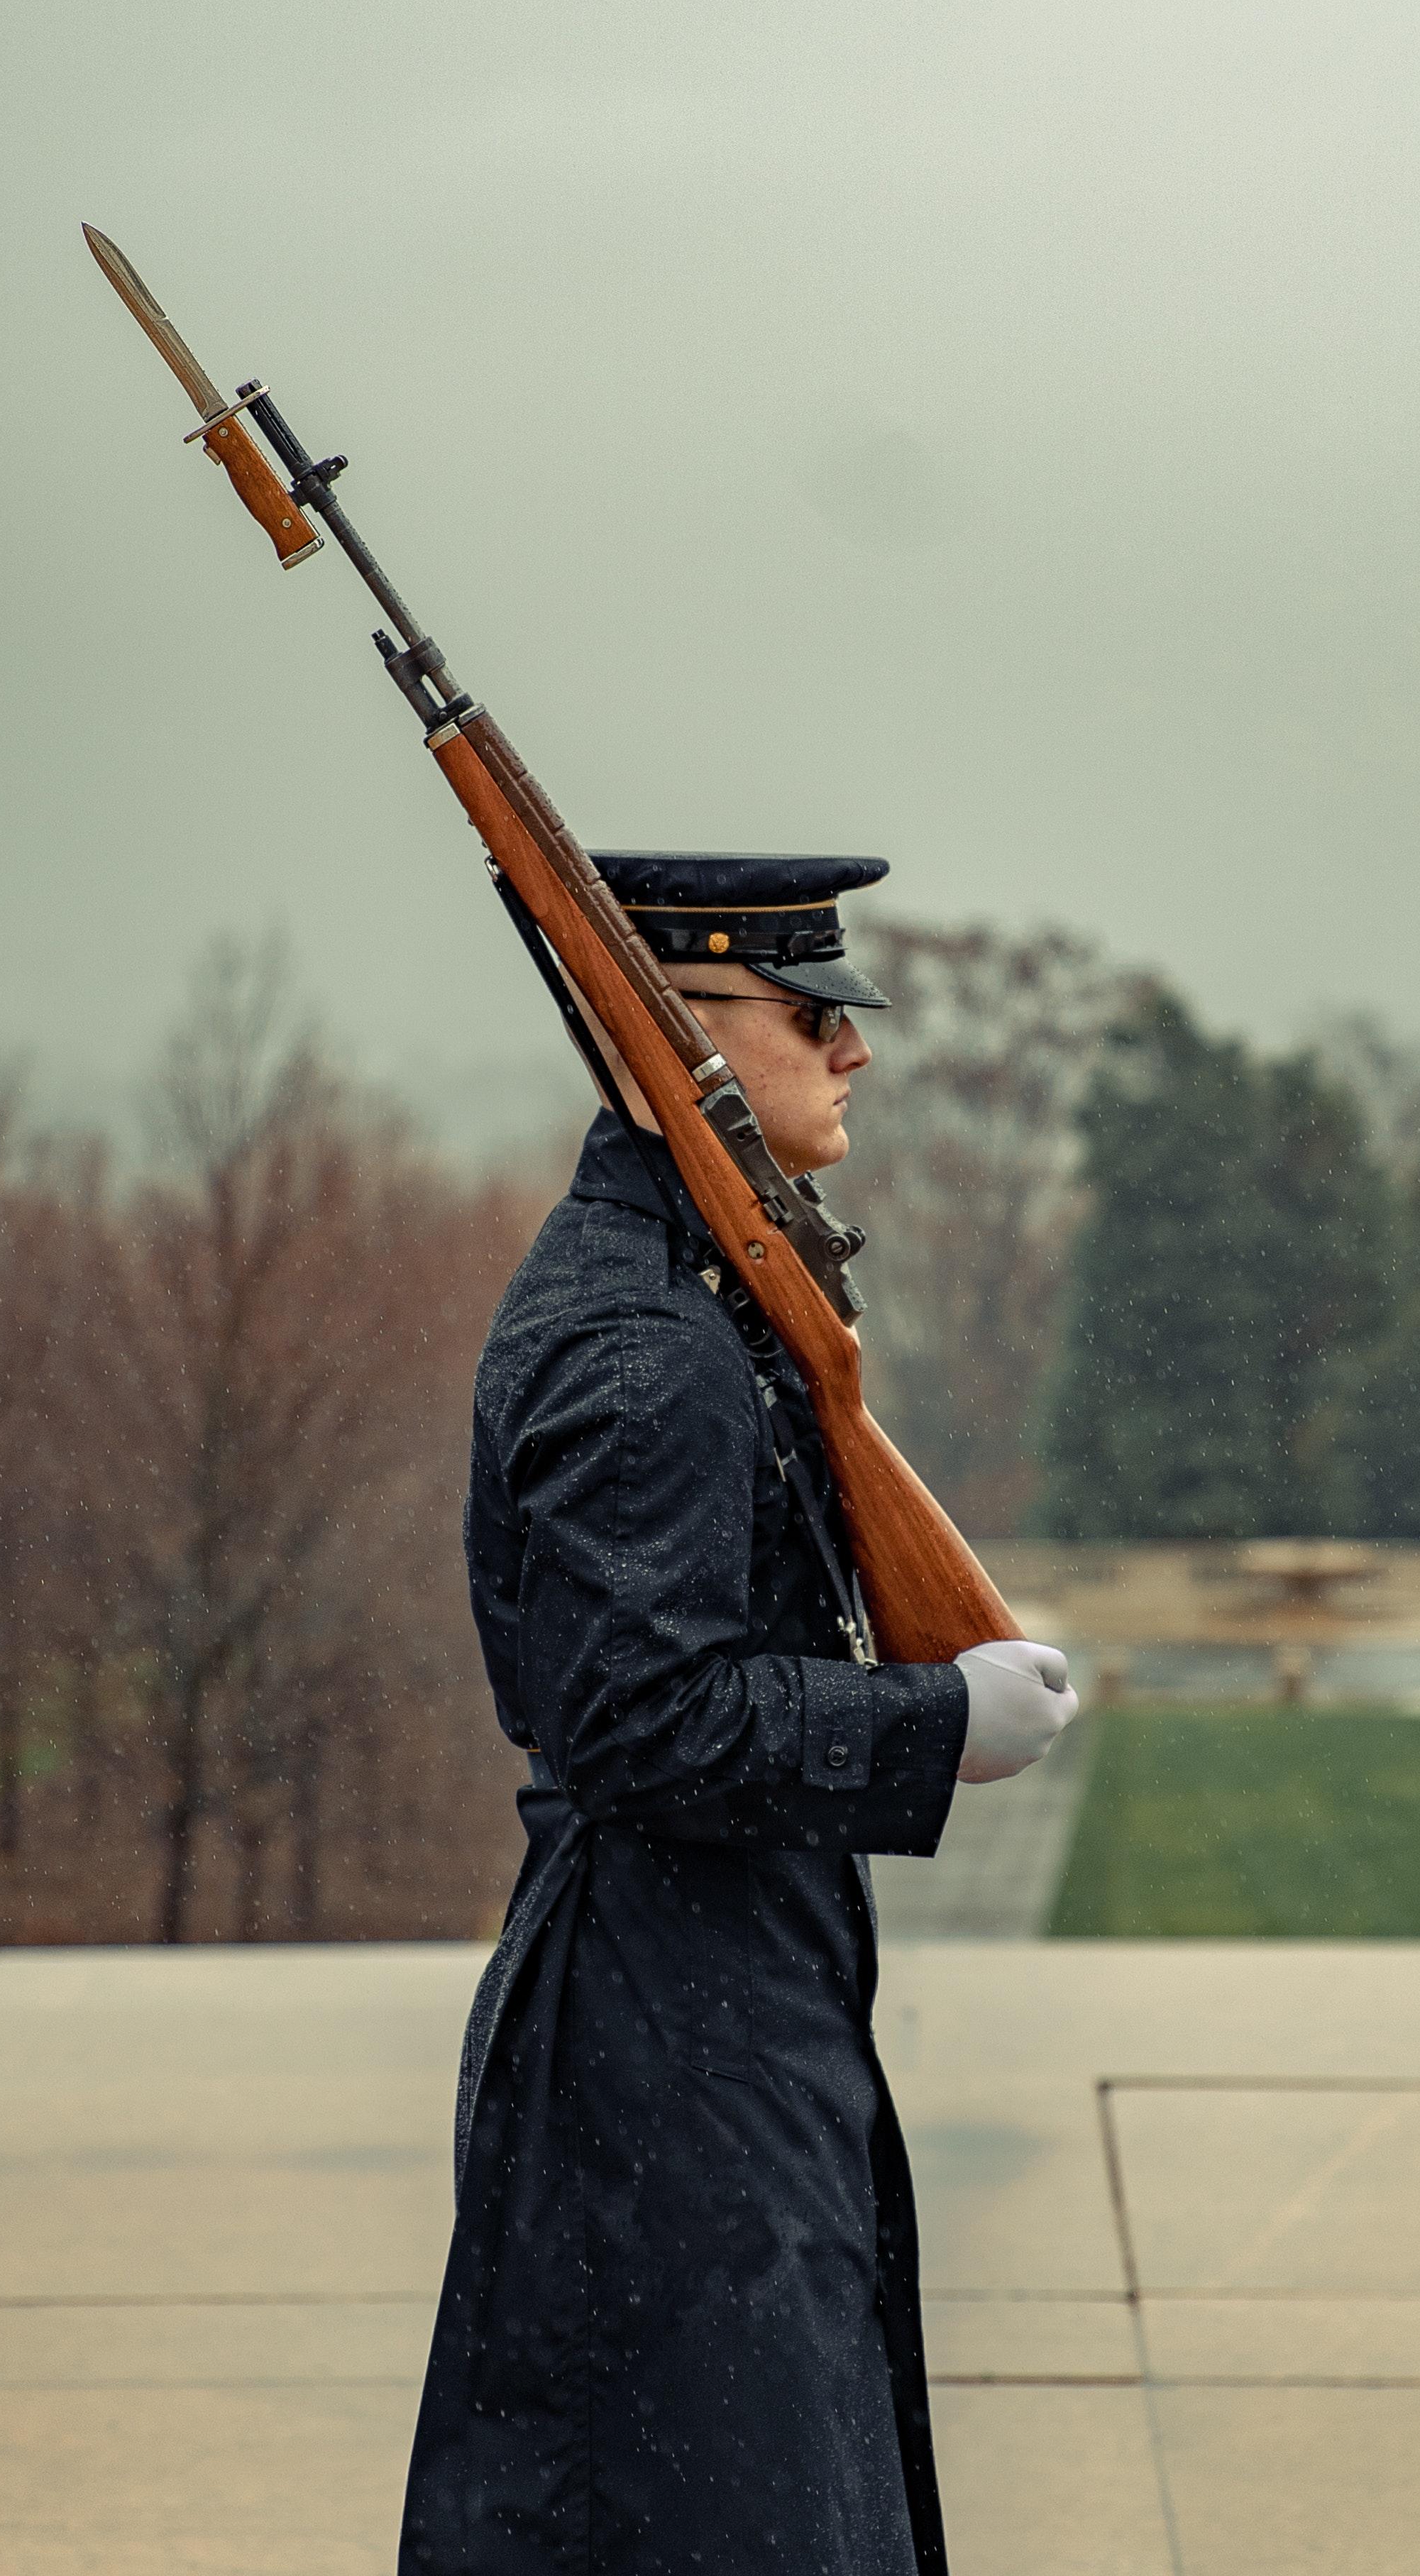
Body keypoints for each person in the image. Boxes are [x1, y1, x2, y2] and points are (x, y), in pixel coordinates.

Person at [397, 851, 1077, 2576]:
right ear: (664, 1038)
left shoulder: (695, 1303)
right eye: (810, 1013)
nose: (852, 1051)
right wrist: (932, 1724)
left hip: (698, 1991)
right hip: (665, 2033)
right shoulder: (648, 1346)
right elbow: (641, 1723)